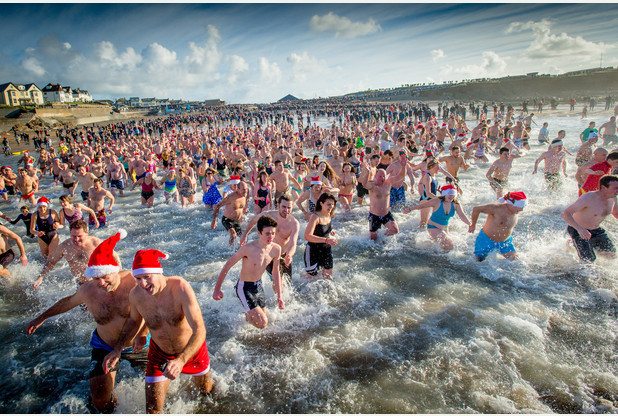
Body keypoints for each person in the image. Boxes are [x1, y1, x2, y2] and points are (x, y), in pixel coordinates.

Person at [27, 230, 150, 413]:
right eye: (95, 277)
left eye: (104, 276)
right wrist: (42, 317)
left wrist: (144, 333)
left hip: (138, 344)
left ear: (115, 268)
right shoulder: (89, 289)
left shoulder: (135, 284)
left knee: (156, 394)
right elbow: (67, 302)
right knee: (100, 401)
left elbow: (152, 309)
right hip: (105, 345)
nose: (100, 283)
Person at [103, 249, 213, 413]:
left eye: (147, 277)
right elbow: (134, 320)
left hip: (191, 351)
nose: (142, 284)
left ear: (158, 272)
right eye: (138, 278)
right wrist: (118, 348)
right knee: (153, 411)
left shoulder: (180, 288)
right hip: (160, 352)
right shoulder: (136, 295)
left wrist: (181, 360)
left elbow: (200, 329)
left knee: (206, 394)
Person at [214, 216, 285, 329]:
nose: (271, 237)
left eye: (273, 233)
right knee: (262, 322)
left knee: (264, 319)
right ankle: (245, 318)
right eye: (267, 233)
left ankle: (247, 318)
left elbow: (275, 271)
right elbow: (227, 266)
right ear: (259, 232)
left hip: (258, 286)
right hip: (244, 287)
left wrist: (280, 296)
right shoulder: (248, 248)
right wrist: (217, 289)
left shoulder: (276, 249)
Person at [32, 220, 116, 288]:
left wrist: (117, 274)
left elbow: (114, 256)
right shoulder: (64, 246)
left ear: (86, 233)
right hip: (81, 283)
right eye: (73, 236)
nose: (76, 239)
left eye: (80, 236)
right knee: (84, 308)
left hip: (99, 281)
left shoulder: (96, 243)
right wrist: (40, 277)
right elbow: (51, 262)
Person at [239, 194, 300, 282]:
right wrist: (245, 235)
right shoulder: (268, 215)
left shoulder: (294, 223)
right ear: (278, 205)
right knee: (275, 282)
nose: (286, 210)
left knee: (287, 283)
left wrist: (289, 255)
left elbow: (293, 243)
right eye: (283, 207)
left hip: (283, 255)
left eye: (289, 207)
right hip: (269, 253)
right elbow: (253, 221)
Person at [562, 175, 618, 262]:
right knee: (588, 260)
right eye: (615, 188)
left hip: (596, 230)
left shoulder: (613, 198)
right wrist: (580, 229)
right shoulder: (588, 198)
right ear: (603, 188)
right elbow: (566, 213)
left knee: (611, 256)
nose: (617, 190)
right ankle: (574, 243)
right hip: (578, 230)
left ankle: (574, 244)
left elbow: (616, 213)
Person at [403, 184, 471, 252]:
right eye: (449, 194)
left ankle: (429, 251)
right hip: (433, 226)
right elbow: (422, 206)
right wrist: (410, 209)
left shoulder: (456, 204)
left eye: (453, 194)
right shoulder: (437, 201)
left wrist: (471, 224)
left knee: (444, 247)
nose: (451, 196)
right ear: (444, 194)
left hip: (444, 228)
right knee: (449, 245)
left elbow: (462, 216)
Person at [469, 191, 528, 261]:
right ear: (511, 204)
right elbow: (476, 209)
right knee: (478, 262)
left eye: (523, 206)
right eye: (520, 207)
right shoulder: (496, 208)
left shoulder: (516, 211)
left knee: (515, 261)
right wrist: (473, 225)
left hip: (505, 242)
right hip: (486, 240)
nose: (522, 209)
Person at [303, 192, 338, 278]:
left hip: (326, 249)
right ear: (321, 203)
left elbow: (324, 228)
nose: (331, 207)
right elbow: (307, 236)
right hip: (313, 251)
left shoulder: (329, 214)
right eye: (328, 204)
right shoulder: (315, 217)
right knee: (311, 280)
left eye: (332, 204)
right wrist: (326, 240)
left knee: (328, 277)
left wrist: (331, 231)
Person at [211, 177, 248, 245]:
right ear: (238, 188)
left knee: (242, 238)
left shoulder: (245, 195)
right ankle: (229, 251)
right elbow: (217, 206)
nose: (245, 191)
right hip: (227, 219)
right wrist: (214, 220)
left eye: (246, 189)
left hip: (236, 221)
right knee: (233, 235)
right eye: (243, 189)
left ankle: (241, 251)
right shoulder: (231, 197)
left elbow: (242, 208)